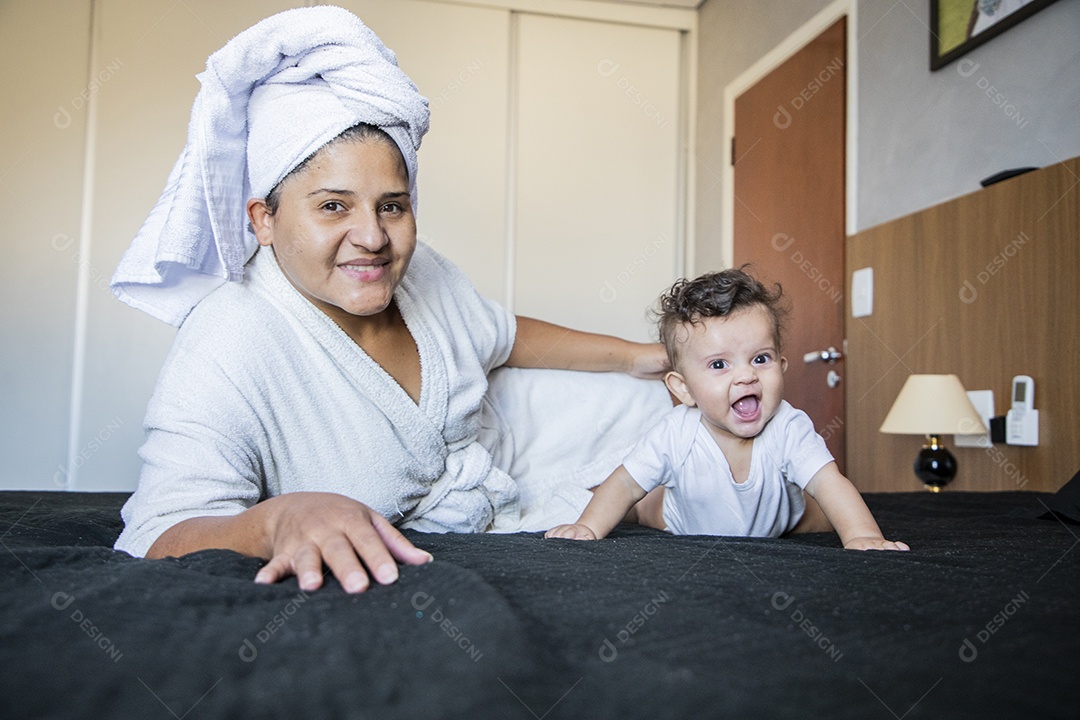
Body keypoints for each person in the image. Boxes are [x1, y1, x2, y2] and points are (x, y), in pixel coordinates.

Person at [110, 6, 669, 594]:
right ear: (264, 220)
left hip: (512, 466)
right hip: (472, 526)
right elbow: (157, 530)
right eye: (333, 206)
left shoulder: (423, 274)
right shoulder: (228, 340)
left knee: (694, 418)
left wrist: (636, 356)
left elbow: (503, 336)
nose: (373, 237)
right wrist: (276, 521)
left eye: (392, 205)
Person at [546, 268, 909, 551]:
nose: (746, 376)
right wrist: (589, 526)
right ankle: (598, 496)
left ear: (782, 367)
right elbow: (625, 482)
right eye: (720, 365)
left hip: (776, 520)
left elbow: (830, 481)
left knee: (820, 508)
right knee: (637, 504)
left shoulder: (788, 425)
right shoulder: (676, 432)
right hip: (680, 518)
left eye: (760, 358)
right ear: (684, 389)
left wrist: (863, 536)